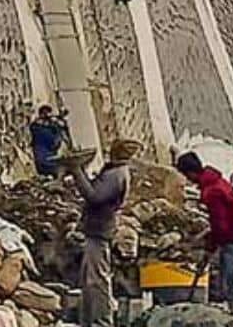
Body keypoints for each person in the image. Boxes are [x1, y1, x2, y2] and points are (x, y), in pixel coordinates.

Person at [65, 139, 141, 327]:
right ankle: (90, 320)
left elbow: (94, 196)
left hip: (99, 231)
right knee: (90, 280)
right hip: (97, 230)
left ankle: (102, 322)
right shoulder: (114, 172)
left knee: (97, 282)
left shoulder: (116, 175)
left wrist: (76, 171)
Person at [176, 151, 233, 312]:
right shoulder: (216, 180)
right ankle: (226, 303)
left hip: (232, 234)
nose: (189, 180)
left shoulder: (212, 192)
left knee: (230, 270)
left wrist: (210, 245)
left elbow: (220, 225)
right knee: (225, 268)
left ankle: (232, 309)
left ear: (191, 173)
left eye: (187, 176)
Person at [29, 105, 70, 177]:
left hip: (47, 161)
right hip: (46, 162)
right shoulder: (40, 130)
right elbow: (54, 144)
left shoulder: (38, 127)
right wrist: (59, 129)